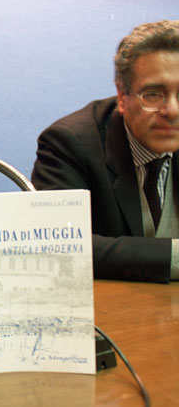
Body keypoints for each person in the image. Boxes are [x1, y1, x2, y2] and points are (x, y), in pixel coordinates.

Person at [31, 20, 179, 283]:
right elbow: (58, 245)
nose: (172, 111)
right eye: (153, 94)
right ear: (122, 96)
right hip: (109, 304)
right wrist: (173, 257)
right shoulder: (68, 143)